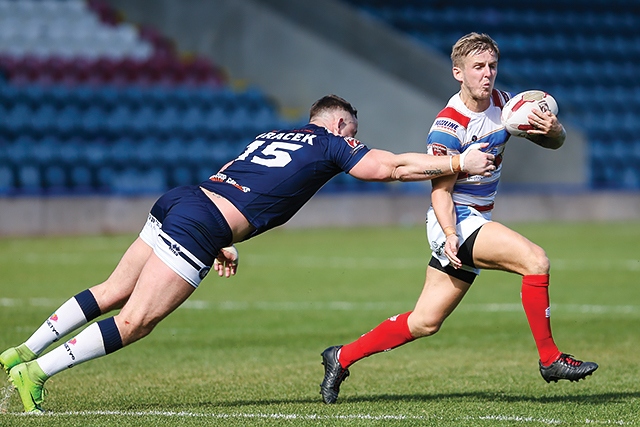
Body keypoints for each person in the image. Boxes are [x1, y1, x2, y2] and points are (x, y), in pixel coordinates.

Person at [0, 94, 495, 413]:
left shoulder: (272, 133)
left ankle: (22, 349)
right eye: (353, 131)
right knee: (136, 321)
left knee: (111, 290)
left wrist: (220, 240)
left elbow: (241, 183)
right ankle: (36, 372)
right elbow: (388, 168)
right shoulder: (330, 143)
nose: (355, 140)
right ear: (339, 123)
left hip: (182, 200)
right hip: (200, 223)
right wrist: (456, 160)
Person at [319, 34, 598, 405]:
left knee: (424, 322)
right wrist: (450, 234)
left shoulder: (507, 105)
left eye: (492, 66)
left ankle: (340, 357)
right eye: (478, 67)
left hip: (476, 220)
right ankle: (550, 359)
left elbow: (554, 143)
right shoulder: (448, 127)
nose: (488, 74)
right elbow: (439, 191)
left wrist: (556, 132)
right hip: (454, 220)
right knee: (536, 260)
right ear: (458, 73)